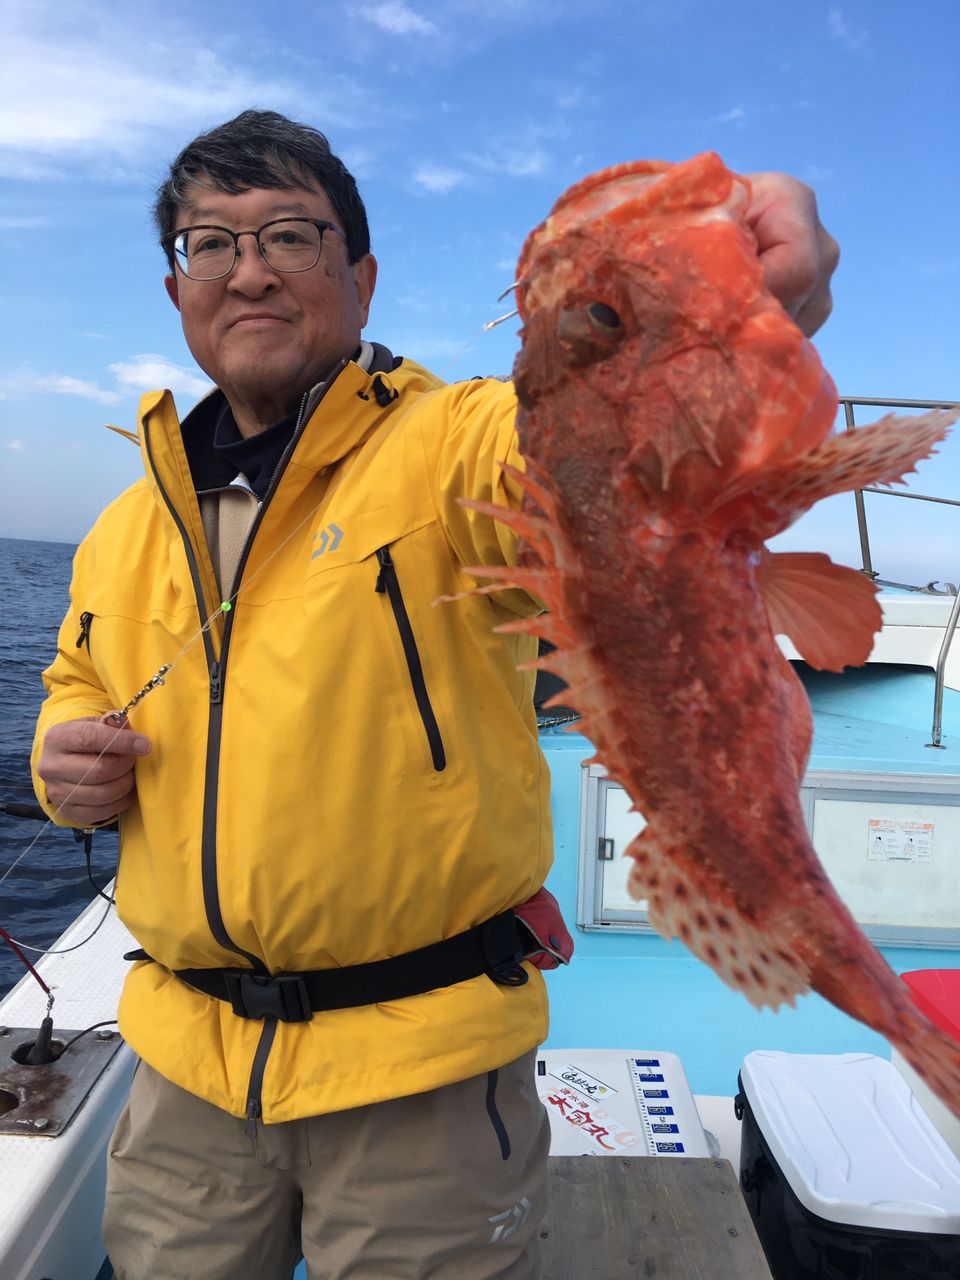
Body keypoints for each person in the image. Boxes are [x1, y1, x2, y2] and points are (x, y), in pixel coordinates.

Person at [32, 110, 839, 1280]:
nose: (248, 268)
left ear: (360, 281)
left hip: (424, 1077)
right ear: (179, 291)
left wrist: (729, 288)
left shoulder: (458, 441)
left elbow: (604, 425)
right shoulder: (122, 526)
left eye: (291, 236)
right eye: (211, 242)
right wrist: (63, 756)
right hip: (185, 1075)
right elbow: (76, 676)